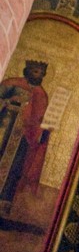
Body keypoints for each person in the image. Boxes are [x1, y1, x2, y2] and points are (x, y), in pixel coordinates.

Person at [0, 59, 49, 217]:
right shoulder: (12, 83)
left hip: (23, 138)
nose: (38, 75)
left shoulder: (42, 94)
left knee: (15, 169)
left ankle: (3, 204)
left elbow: (40, 118)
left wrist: (43, 128)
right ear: (27, 71)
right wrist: (9, 101)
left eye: (41, 73)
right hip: (4, 130)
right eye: (35, 71)